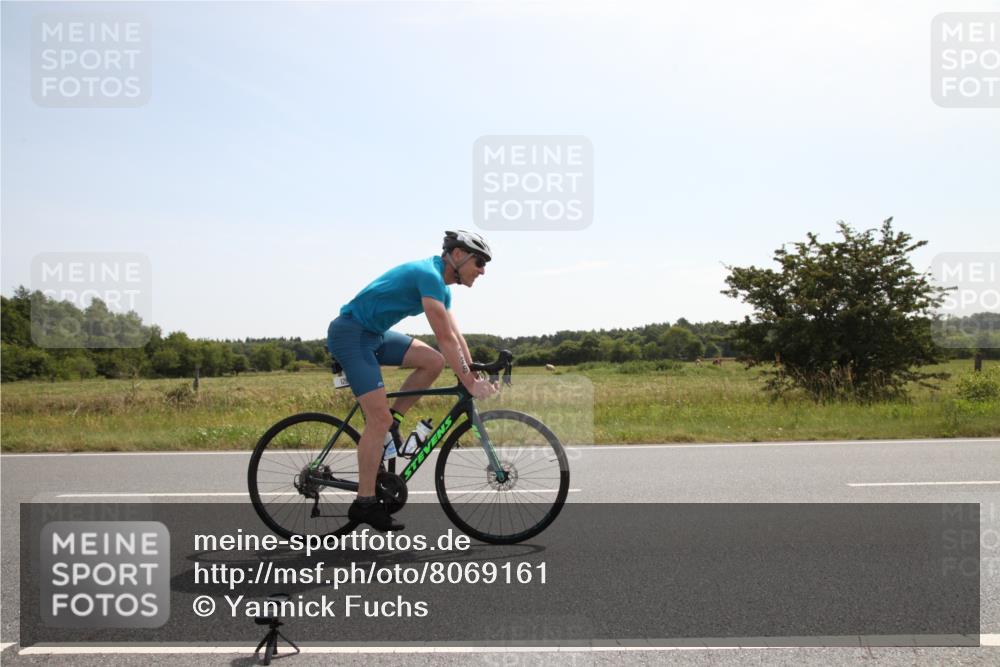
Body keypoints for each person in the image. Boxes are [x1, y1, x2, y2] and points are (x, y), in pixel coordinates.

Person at [327, 230, 499, 531]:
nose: (483, 270)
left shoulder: (442, 288)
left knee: (433, 361)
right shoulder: (429, 275)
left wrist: (473, 373)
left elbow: (456, 337)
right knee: (375, 421)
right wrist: (470, 384)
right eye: (480, 261)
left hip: (375, 335)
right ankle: (364, 503)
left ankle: (392, 420)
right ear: (458, 255)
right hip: (351, 335)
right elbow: (444, 337)